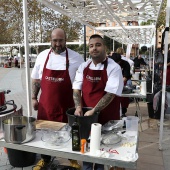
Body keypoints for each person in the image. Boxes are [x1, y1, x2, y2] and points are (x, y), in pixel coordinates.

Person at [31, 28, 84, 170]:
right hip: (46, 106)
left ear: (65, 40)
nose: (58, 43)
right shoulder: (42, 56)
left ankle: (72, 159)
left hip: (66, 106)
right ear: (51, 40)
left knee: (69, 133)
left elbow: (81, 83)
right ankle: (45, 159)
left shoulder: (76, 58)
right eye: (55, 40)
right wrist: (33, 97)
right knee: (43, 134)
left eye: (61, 40)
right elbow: (36, 79)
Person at [72, 34, 123, 170]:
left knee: (102, 152)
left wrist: (94, 110)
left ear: (104, 47)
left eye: (98, 45)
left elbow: (110, 94)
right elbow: (76, 89)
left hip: (107, 117)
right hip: (87, 118)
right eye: (91, 46)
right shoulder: (84, 66)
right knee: (87, 151)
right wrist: (78, 107)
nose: (94, 48)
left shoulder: (113, 67)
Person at [110, 53, 131, 117]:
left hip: (122, 82)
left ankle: (123, 112)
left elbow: (126, 76)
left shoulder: (125, 64)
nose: (117, 64)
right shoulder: (109, 63)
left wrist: (119, 84)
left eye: (118, 62)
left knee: (123, 98)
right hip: (111, 83)